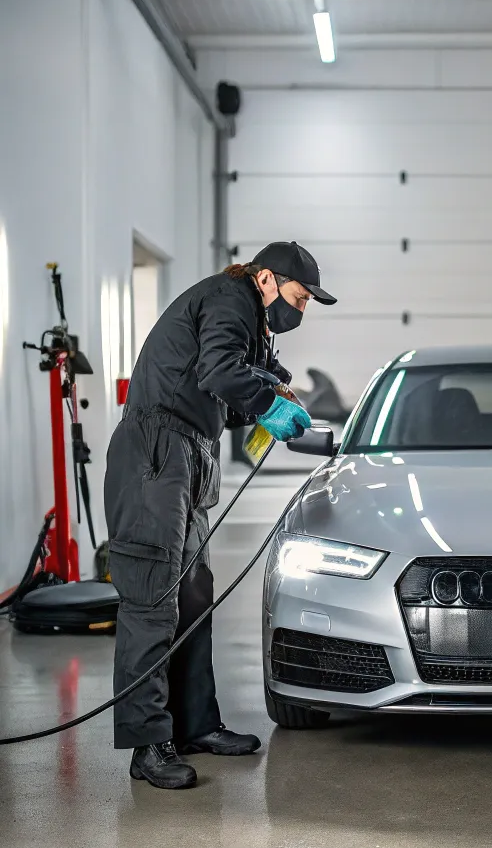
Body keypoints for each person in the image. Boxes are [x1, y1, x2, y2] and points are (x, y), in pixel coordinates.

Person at [104, 242, 336, 790]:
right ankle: (148, 744)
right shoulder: (230, 298)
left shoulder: (249, 318)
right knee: (153, 600)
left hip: (187, 455)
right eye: (298, 298)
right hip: (154, 459)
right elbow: (220, 368)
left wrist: (275, 394)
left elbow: (225, 386)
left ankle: (194, 726)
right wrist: (268, 403)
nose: (299, 311)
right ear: (266, 280)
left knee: (192, 598)